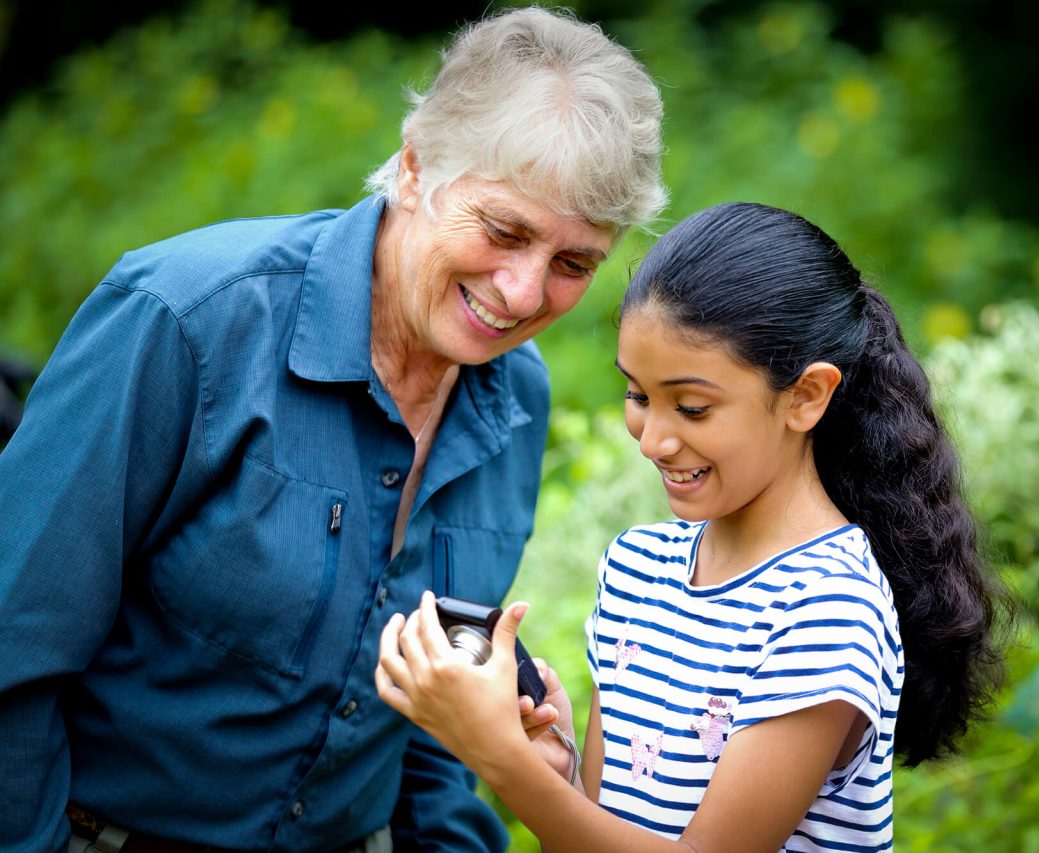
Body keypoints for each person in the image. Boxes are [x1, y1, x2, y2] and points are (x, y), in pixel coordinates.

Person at [0, 7, 665, 853]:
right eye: (504, 231)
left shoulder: (517, 399)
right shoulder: (188, 320)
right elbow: (13, 646)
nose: (526, 293)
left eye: (574, 263)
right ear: (418, 168)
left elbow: (431, 719)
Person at [376, 202, 1011, 851]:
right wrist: (553, 769)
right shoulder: (638, 567)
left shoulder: (826, 604)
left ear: (807, 396)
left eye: (692, 406)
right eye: (638, 396)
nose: (652, 439)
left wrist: (502, 761)